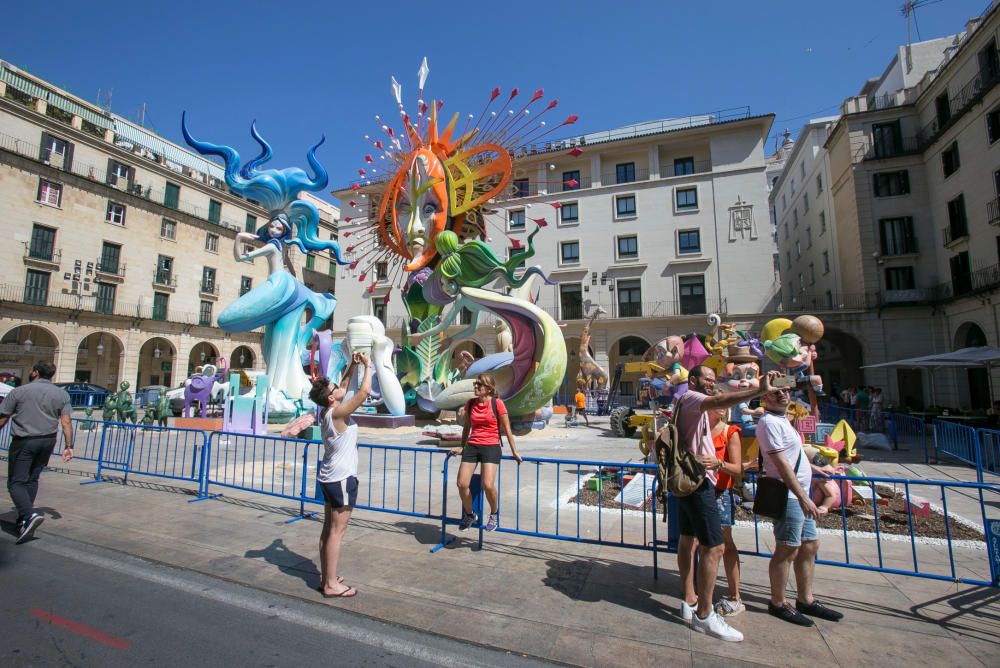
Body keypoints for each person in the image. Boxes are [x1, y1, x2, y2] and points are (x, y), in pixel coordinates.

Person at [674, 364, 776, 642]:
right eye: (707, 379)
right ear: (693, 380)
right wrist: (759, 390)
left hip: (686, 480)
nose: (711, 383)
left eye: (713, 380)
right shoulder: (693, 397)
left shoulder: (686, 402)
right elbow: (720, 399)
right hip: (699, 481)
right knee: (715, 546)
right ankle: (705, 616)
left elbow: (721, 401)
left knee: (687, 537)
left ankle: (689, 600)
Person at [757, 386, 844, 626]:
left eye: (785, 391)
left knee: (809, 545)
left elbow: (795, 456)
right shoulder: (768, 423)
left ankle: (806, 599)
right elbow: (780, 463)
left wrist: (817, 469)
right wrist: (803, 497)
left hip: (799, 493)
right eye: (776, 393)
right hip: (789, 496)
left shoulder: (783, 420)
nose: (783, 395)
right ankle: (777, 602)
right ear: (764, 398)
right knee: (787, 548)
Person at [308, 351, 372, 599]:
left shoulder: (327, 411)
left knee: (328, 529)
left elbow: (344, 385)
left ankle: (327, 576)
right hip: (342, 477)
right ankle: (331, 585)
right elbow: (363, 393)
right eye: (335, 387)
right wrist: (369, 366)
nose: (340, 385)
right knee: (337, 531)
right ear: (332, 397)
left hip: (329, 477)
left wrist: (352, 366)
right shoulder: (337, 413)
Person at [0, 362, 74, 544]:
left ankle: (28, 514)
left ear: (35, 372)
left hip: (24, 441)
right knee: (32, 479)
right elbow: (66, 422)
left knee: (16, 482)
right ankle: (23, 520)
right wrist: (69, 446)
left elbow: (3, 417)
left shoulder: (19, 391)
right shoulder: (61, 394)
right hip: (48, 441)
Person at [450, 372, 523, 532]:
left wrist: (515, 451)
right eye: (475, 384)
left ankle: (494, 513)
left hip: (491, 446)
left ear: (488, 388)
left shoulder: (497, 404)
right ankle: (470, 514)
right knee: (462, 484)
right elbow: (467, 428)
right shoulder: (470, 404)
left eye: (479, 384)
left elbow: (507, 430)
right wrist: (463, 446)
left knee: (487, 484)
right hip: (472, 446)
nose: (475, 386)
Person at [708, 393, 744, 617]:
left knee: (725, 544)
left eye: (725, 403)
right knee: (703, 546)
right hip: (700, 493)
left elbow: (737, 468)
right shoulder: (698, 430)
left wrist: (718, 463)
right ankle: (703, 593)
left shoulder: (730, 432)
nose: (722, 407)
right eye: (717, 403)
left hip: (720, 494)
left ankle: (734, 595)